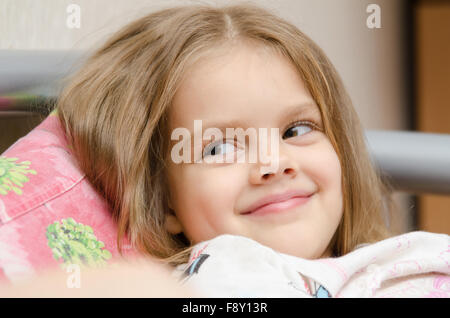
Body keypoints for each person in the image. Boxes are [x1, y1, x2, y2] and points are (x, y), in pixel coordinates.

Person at [1, 3, 449, 297]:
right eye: (218, 148)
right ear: (163, 205)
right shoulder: (218, 282)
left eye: (296, 129)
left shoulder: (407, 259)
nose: (273, 164)